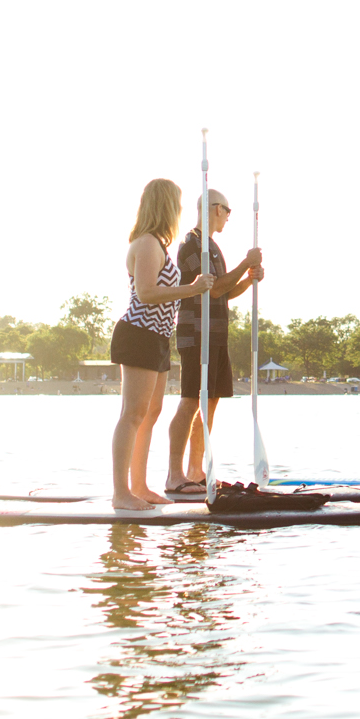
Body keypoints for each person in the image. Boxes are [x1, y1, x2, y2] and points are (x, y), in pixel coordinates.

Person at [109, 179, 213, 510]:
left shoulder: (159, 246)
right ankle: (121, 493)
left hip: (157, 337)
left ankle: (139, 486)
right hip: (138, 333)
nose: (180, 211)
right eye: (177, 204)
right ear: (165, 205)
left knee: (150, 413)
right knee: (133, 414)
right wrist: (191, 288)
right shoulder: (146, 244)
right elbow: (146, 293)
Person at [164, 189, 264, 495]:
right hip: (196, 334)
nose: (229, 216)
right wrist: (244, 262)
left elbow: (226, 291)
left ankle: (196, 472)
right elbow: (214, 290)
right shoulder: (192, 244)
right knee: (191, 400)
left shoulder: (213, 246)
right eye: (227, 210)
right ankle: (174, 475)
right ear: (213, 209)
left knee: (210, 402)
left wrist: (249, 278)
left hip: (217, 334)